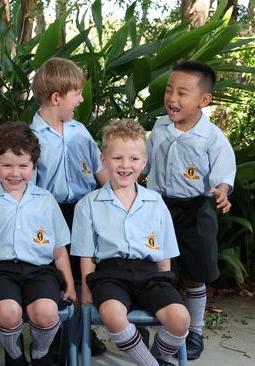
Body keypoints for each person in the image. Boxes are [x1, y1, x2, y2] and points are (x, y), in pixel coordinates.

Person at [72, 118, 190, 366]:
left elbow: (165, 252)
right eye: (117, 158)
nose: (126, 165)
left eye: (134, 159)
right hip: (109, 274)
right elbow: (85, 254)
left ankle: (155, 358)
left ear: (144, 163)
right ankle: (150, 364)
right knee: (112, 314)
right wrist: (86, 290)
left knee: (180, 319)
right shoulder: (89, 204)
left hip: (149, 274)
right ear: (104, 160)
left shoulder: (155, 202)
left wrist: (165, 284)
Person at [141, 61, 236, 360]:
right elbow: (145, 165)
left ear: (203, 100)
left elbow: (224, 173)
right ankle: (143, 323)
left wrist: (222, 190)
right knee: (149, 265)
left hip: (194, 210)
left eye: (183, 93)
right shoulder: (158, 128)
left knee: (196, 273)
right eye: (170, 90)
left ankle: (194, 329)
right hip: (156, 208)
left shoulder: (212, 137)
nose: (172, 98)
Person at [0, 122, 76, 366]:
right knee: (8, 313)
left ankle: (40, 352)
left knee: (46, 313)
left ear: (34, 166)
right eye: (7, 165)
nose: (15, 173)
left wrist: (69, 283)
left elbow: (58, 249)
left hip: (40, 271)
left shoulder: (46, 201)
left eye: (23, 166)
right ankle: (14, 354)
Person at [29, 57, 109, 356]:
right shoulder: (32, 137)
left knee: (82, 272)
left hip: (83, 212)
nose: (81, 98)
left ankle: (81, 328)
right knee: (53, 275)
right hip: (48, 214)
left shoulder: (80, 132)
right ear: (56, 97)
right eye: (76, 93)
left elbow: (101, 173)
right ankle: (52, 335)